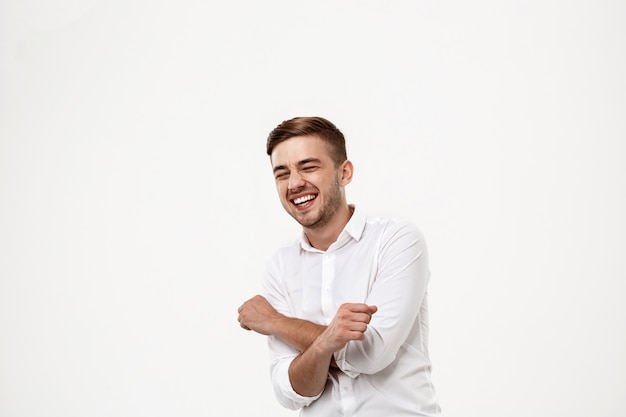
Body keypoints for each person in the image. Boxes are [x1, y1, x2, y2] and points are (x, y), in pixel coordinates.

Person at [237, 116, 441, 416]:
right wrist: (325, 343)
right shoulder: (279, 266)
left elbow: (371, 354)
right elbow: (292, 391)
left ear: (344, 173)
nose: (294, 183)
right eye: (282, 173)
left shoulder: (396, 240)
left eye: (308, 167)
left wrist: (276, 323)